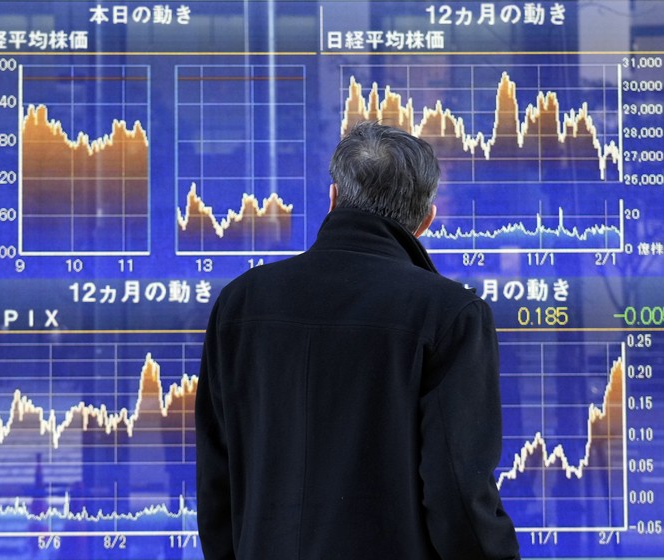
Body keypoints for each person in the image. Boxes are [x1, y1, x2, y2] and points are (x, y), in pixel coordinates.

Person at [195, 121, 520, 559]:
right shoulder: (448, 314)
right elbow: (457, 492)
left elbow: (218, 482)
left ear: (332, 199)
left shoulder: (240, 302)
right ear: (425, 220)